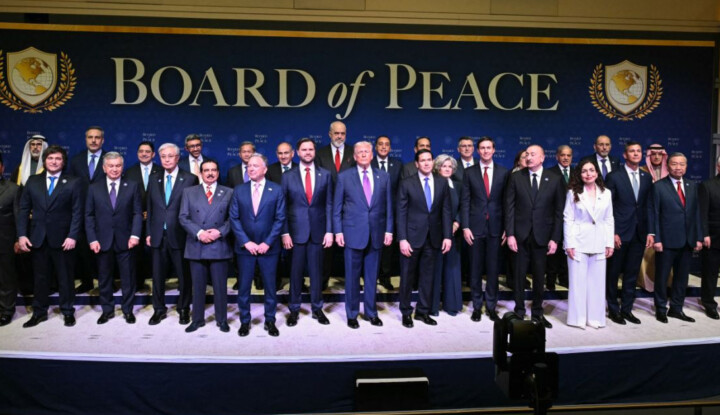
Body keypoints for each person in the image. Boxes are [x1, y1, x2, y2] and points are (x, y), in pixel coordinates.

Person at [17, 145, 83, 328]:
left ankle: (67, 311)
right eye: (50, 158)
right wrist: (22, 235)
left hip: (64, 240)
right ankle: (39, 313)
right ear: (44, 161)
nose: (54, 162)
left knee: (65, 278)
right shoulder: (33, 181)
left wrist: (72, 236)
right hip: (38, 238)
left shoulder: (73, 182)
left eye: (58, 159)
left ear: (63, 162)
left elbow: (78, 212)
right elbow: (23, 209)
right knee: (40, 278)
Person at [333, 141, 393, 329]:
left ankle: (371, 313)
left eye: (367, 151)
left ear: (372, 154)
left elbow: (388, 206)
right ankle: (352, 314)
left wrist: (389, 230)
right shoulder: (344, 177)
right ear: (355, 156)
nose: (364, 154)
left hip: (376, 233)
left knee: (371, 277)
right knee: (352, 277)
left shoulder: (384, 176)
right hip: (352, 234)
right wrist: (338, 231)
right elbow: (337, 208)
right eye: (360, 152)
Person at [505, 145, 565, 328]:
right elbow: (509, 208)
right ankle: (519, 311)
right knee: (519, 275)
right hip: (520, 236)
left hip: (543, 236)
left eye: (533, 154)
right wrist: (510, 234)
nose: (529, 157)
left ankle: (538, 312)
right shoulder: (516, 177)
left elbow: (559, 212)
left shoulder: (554, 179)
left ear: (542, 157)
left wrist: (555, 238)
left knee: (539, 276)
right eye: (527, 154)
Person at [230, 153, 285, 337]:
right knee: (244, 288)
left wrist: (267, 242)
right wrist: (246, 242)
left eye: (255, 165)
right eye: (249, 166)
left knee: (270, 287)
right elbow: (234, 218)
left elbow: (280, 219)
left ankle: (270, 321)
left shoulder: (276, 190)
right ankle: (245, 321)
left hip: (269, 249)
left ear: (265, 169)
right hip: (245, 249)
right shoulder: (239, 190)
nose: (250, 169)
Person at [85, 152, 142, 324]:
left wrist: (135, 234)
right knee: (104, 278)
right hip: (102, 241)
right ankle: (107, 311)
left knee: (128, 278)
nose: (114, 169)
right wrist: (92, 239)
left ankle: (128, 310)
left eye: (118, 166)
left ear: (122, 167)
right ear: (104, 168)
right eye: (111, 166)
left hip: (127, 240)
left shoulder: (132, 186)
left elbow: (137, 213)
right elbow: (89, 215)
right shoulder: (94, 187)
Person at [396, 150, 452, 328]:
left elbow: (446, 211)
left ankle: (422, 311)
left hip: (433, 238)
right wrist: (402, 239)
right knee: (407, 277)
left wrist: (447, 236)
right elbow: (401, 213)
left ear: (433, 162)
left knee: (428, 277)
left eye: (429, 160)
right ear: (416, 164)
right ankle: (406, 312)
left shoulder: (442, 182)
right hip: (411, 238)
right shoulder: (407, 183)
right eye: (423, 160)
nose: (427, 163)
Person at [281, 138, 333, 326]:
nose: (308, 152)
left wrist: (330, 231)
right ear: (297, 152)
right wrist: (285, 233)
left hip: (318, 232)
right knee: (295, 273)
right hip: (295, 233)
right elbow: (282, 207)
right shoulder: (288, 176)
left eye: (311, 149)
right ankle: (294, 309)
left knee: (316, 273)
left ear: (314, 151)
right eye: (304, 149)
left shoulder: (325, 175)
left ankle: (317, 308)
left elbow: (329, 204)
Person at [146, 143, 199, 325]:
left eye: (170, 156)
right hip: (157, 235)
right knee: (157, 275)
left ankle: (183, 308)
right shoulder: (154, 178)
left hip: (181, 235)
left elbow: (193, 210)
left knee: (184, 275)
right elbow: (150, 208)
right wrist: (148, 232)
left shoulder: (190, 179)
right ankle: (158, 309)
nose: (167, 160)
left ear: (177, 158)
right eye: (163, 157)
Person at [179, 160, 234, 333]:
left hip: (219, 244)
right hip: (197, 244)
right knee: (198, 287)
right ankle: (197, 320)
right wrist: (199, 233)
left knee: (220, 287)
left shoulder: (228, 192)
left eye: (213, 170)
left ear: (218, 172)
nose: (210, 173)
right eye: (206, 170)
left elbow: (233, 218)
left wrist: (219, 232)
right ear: (201, 173)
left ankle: (222, 320)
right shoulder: (189, 192)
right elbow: (183, 217)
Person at [650, 152, 703, 323]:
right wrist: (657, 239)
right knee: (662, 277)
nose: (678, 167)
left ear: (686, 166)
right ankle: (660, 309)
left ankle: (676, 308)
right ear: (668, 166)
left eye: (682, 164)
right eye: (674, 164)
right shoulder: (658, 186)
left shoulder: (692, 185)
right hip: (666, 241)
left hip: (687, 240)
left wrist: (698, 237)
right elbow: (654, 214)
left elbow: (696, 213)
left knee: (682, 278)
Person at [461, 136, 509, 322]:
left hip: (496, 228)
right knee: (475, 269)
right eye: (482, 148)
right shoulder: (469, 172)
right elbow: (465, 201)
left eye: (489, 148)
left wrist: (507, 228)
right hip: (475, 228)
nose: (486, 151)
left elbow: (507, 203)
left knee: (493, 270)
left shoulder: (504, 172)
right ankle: (476, 306)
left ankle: (491, 306)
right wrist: (465, 226)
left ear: (494, 150)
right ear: (478, 151)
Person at [604, 142, 653, 325]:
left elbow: (648, 206)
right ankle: (613, 310)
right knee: (613, 273)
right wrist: (613, 232)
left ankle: (627, 309)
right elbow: (607, 207)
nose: (636, 154)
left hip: (639, 233)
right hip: (619, 233)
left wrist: (650, 232)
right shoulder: (614, 176)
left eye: (639, 151)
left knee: (632, 274)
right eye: (632, 151)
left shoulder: (646, 177)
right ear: (625, 155)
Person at [563, 160, 614, 329]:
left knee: (597, 283)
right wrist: (569, 244)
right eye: (584, 171)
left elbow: (609, 219)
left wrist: (609, 243)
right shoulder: (572, 193)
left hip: (599, 241)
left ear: (597, 173)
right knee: (577, 283)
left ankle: (595, 318)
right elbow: (568, 219)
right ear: (579, 174)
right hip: (578, 242)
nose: (588, 174)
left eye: (592, 170)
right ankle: (577, 319)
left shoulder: (606, 193)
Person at [68, 126, 107, 293]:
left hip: (105, 211)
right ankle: (87, 281)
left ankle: (106, 281)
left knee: (105, 248)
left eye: (97, 137)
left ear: (102, 140)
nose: (93, 140)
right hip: (82, 210)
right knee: (84, 249)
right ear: (85, 139)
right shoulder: (76, 160)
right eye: (90, 137)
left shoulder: (110, 159)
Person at [123, 141, 161, 289]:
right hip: (135, 218)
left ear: (153, 154)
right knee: (136, 252)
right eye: (141, 151)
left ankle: (158, 282)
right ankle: (138, 282)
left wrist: (150, 213)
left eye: (147, 151)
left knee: (157, 252)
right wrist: (139, 213)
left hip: (156, 219)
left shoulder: (161, 171)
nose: (144, 154)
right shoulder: (129, 172)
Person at [430, 155, 462, 316]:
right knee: (435, 269)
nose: (447, 169)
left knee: (452, 268)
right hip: (435, 232)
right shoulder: (432, 183)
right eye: (444, 166)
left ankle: (451, 306)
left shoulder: (458, 185)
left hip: (454, 233)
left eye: (450, 166)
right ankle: (433, 306)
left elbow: (463, 206)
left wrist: (456, 223)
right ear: (437, 168)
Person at [371, 135, 402, 290]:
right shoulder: (368, 163)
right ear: (375, 147)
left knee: (388, 248)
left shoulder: (397, 165)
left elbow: (400, 191)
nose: (383, 147)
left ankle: (385, 277)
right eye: (380, 144)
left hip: (391, 213)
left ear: (390, 148)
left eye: (387, 144)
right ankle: (370, 276)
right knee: (371, 246)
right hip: (372, 212)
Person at [266, 141, 298, 289]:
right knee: (275, 253)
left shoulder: (299, 169)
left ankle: (297, 283)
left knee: (296, 254)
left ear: (292, 153)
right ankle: (276, 282)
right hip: (274, 218)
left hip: (295, 218)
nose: (283, 156)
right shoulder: (270, 170)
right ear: (276, 154)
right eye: (280, 153)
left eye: (286, 153)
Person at [639, 143, 670, 291]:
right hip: (646, 216)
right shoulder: (641, 171)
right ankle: (646, 283)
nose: (657, 157)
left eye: (659, 154)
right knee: (647, 249)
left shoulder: (670, 171)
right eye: (653, 154)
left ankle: (666, 282)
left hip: (666, 218)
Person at [546, 144, 573, 290]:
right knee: (553, 251)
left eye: (568, 155)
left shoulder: (577, 173)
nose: (566, 158)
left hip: (573, 220)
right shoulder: (549, 173)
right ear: (557, 157)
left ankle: (564, 278)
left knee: (567, 250)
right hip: (553, 218)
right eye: (563, 155)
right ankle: (550, 280)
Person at [699, 156, 720, 320]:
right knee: (710, 273)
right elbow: (702, 213)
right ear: (718, 166)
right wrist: (704, 234)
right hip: (713, 237)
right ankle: (708, 303)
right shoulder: (707, 185)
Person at [0, 154, 20, 326]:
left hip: (5, 240)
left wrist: (18, 239)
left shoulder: (13, 189)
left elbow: (18, 217)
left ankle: (7, 310)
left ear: (2, 168)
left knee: (6, 277)